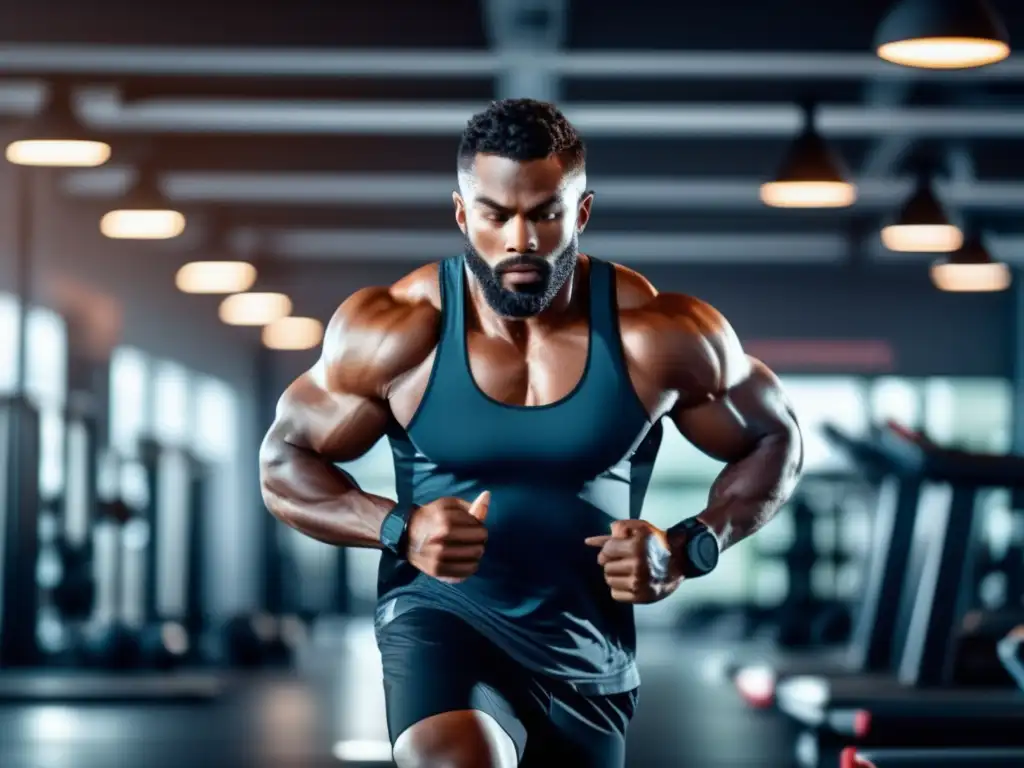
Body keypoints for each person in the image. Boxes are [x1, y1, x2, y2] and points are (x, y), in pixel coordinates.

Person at [259, 98, 804, 768]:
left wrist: (690, 545)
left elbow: (775, 440)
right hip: (441, 619)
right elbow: (283, 461)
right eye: (495, 214)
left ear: (580, 212)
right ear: (463, 214)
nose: (521, 239)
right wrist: (398, 527)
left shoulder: (660, 335)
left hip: (588, 650)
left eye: (545, 213)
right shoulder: (397, 330)